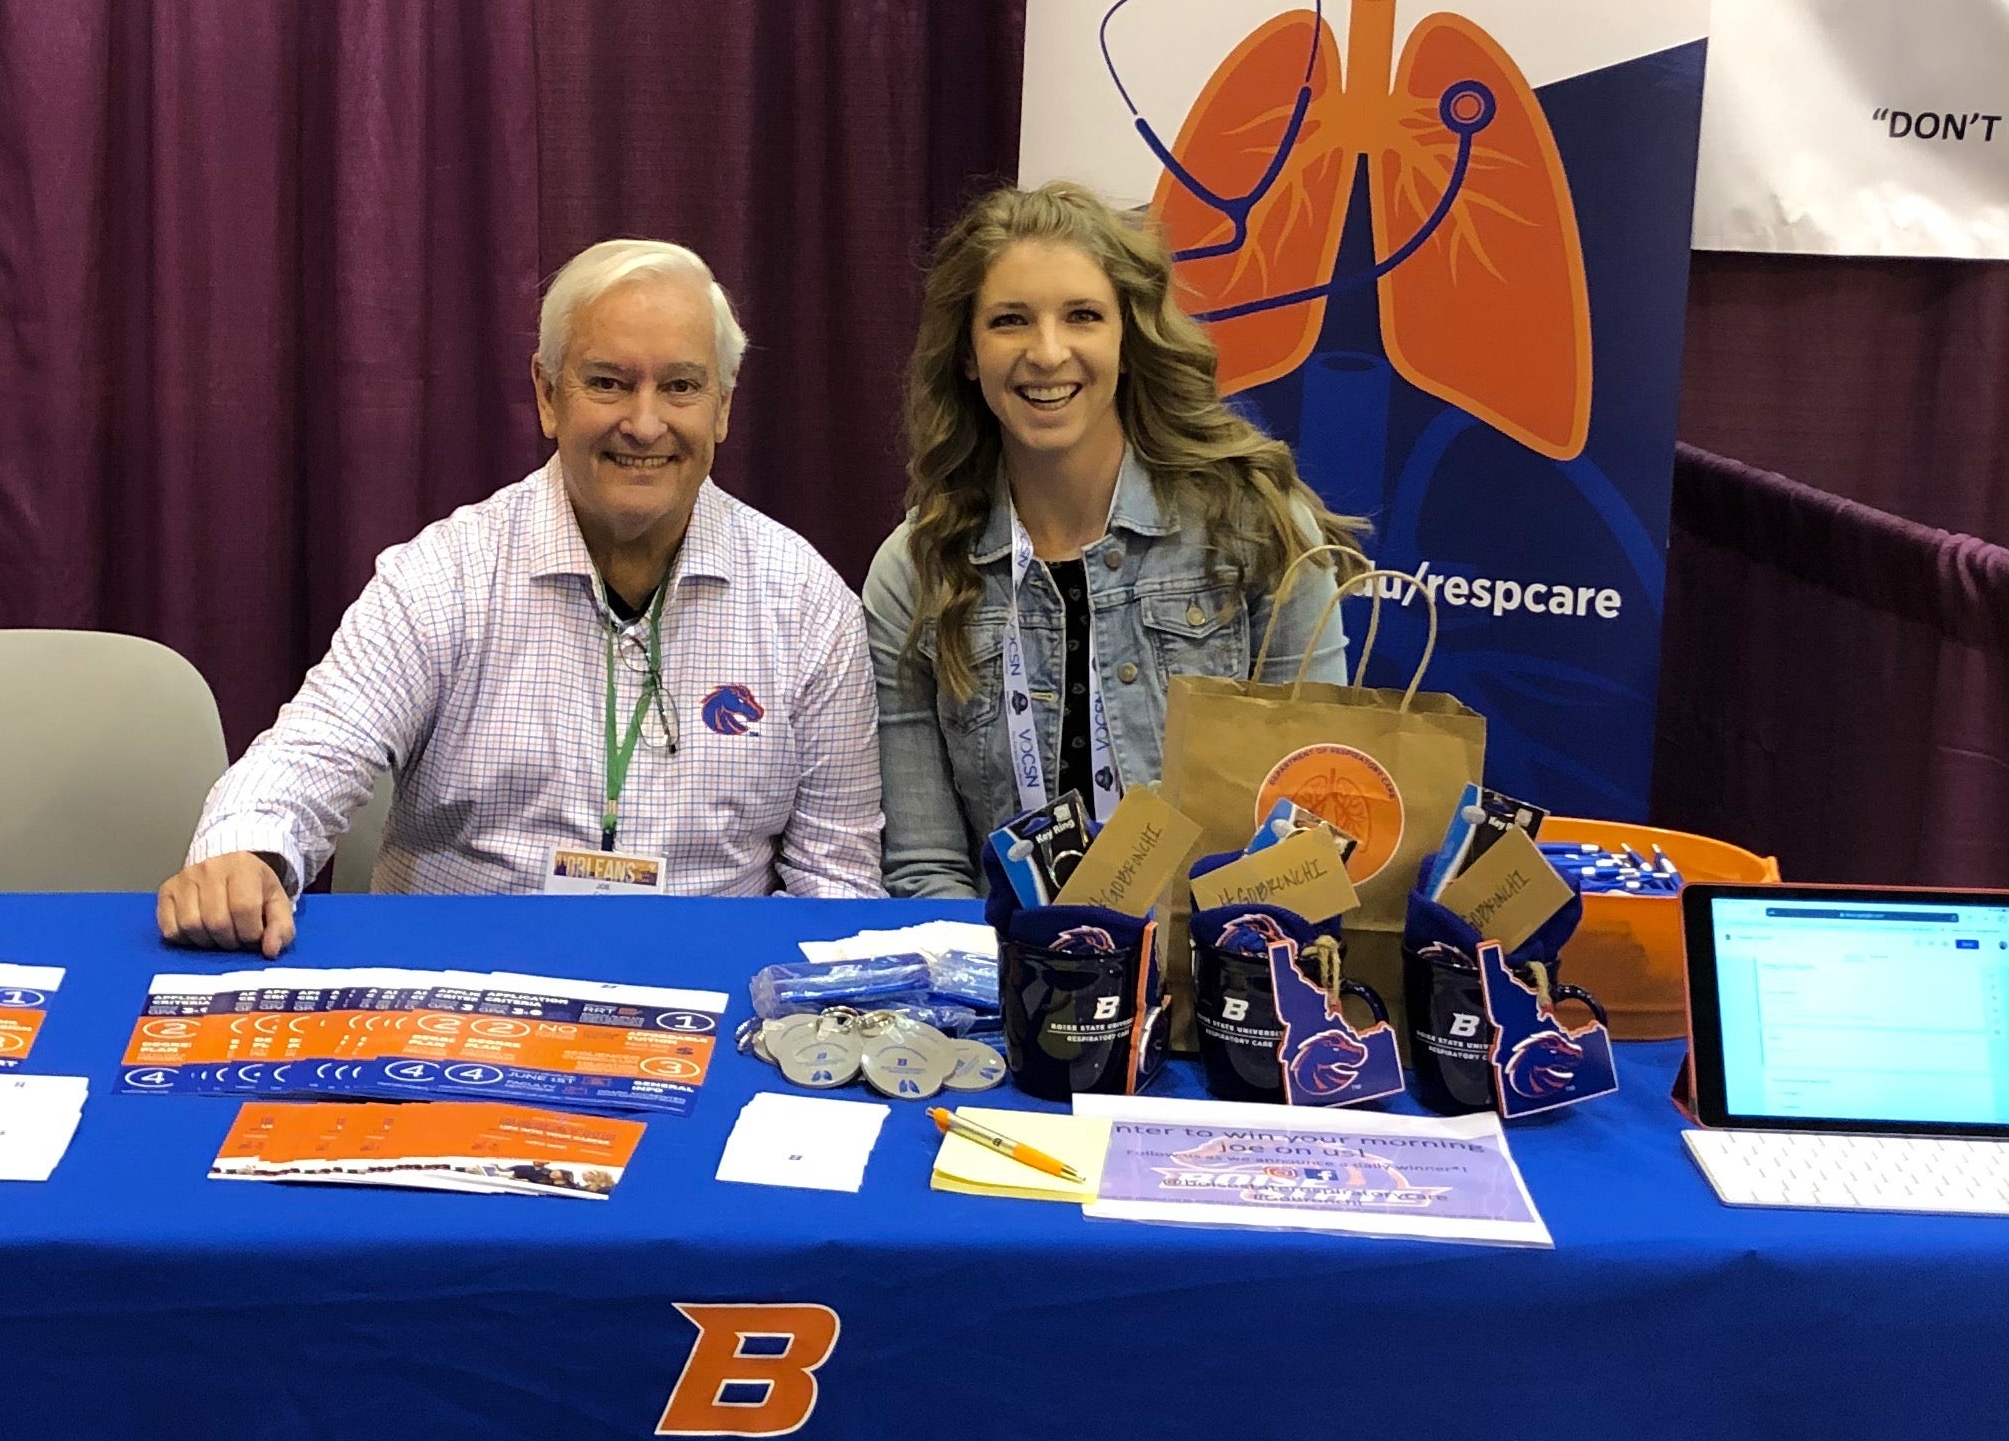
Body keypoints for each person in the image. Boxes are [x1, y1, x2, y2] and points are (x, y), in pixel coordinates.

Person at [157, 238, 881, 952]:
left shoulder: (807, 604)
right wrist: (247, 855)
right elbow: (311, 753)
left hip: (704, 1011)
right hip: (455, 1006)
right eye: (608, 382)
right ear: (547, 395)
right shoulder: (443, 575)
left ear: (722, 407)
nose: (645, 422)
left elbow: (835, 878)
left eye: (681, 386)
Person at [863, 183, 1348, 899]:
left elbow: (1309, 827)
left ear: (1130, 337)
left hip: (1216, 984)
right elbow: (928, 870)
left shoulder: (1256, 532)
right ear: (968, 353)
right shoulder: (915, 571)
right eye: (1010, 321)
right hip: (1004, 987)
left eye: (1083, 317)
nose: (1048, 352)